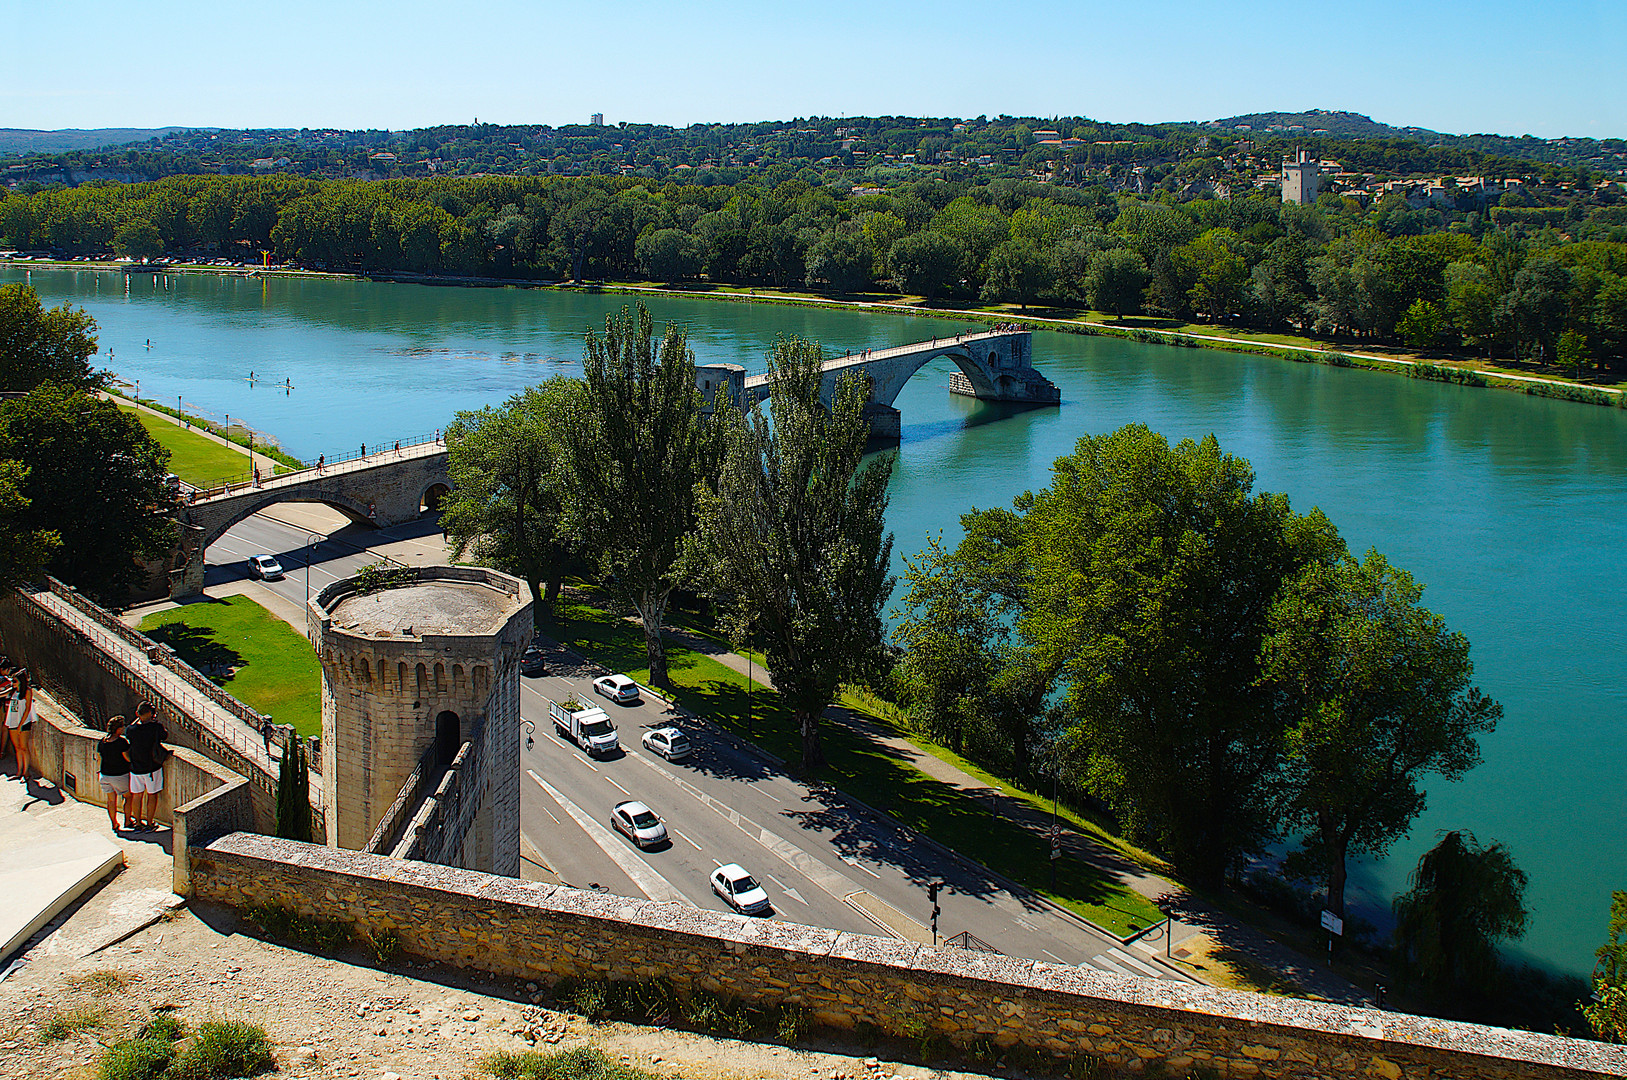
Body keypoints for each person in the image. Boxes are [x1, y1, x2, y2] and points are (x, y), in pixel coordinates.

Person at [125, 702, 169, 831]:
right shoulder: (155, 727)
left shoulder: (131, 729)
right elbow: (164, 736)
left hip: (135, 768)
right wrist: (153, 721)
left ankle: (138, 822)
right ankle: (149, 822)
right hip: (152, 767)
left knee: (137, 796)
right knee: (152, 795)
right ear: (151, 714)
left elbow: (131, 730)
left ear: (137, 714)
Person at [98, 717, 134, 831]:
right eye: (122, 727)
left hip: (104, 775)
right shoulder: (121, 742)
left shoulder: (102, 741)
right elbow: (127, 758)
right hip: (119, 775)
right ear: (118, 729)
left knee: (111, 800)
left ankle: (114, 823)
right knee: (128, 796)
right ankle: (127, 821)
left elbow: (100, 758)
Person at [6, 668, 35, 781]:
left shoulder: (27, 691)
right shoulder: (12, 691)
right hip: (12, 722)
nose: (13, 683)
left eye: (15, 681)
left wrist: (20, 725)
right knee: (17, 748)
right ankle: (19, 771)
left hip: (23, 723)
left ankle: (26, 772)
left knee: (23, 747)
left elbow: (27, 709)